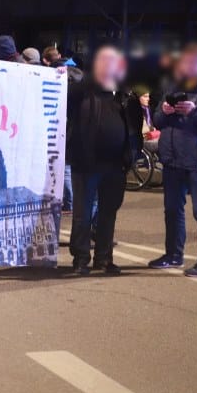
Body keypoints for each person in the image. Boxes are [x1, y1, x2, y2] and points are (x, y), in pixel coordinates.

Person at [149, 43, 197, 277]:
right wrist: (164, 111)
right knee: (172, 210)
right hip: (172, 158)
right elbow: (157, 121)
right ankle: (174, 254)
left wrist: (195, 111)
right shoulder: (173, 86)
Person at [65, 44, 142, 275]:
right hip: (86, 163)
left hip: (115, 164)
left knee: (109, 213)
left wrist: (132, 153)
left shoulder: (124, 94)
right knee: (82, 214)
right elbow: (69, 99)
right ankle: (80, 259)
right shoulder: (82, 91)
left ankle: (104, 258)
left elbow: (135, 126)